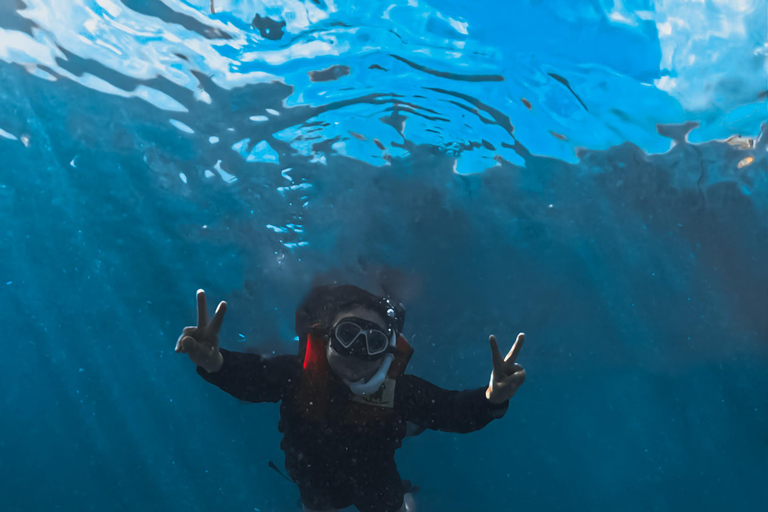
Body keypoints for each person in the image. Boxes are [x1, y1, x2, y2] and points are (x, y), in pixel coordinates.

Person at [176, 284, 526, 512]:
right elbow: (252, 378)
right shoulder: (295, 374)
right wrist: (216, 363)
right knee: (318, 504)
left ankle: (405, 484)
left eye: (372, 341)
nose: (358, 350)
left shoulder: (399, 389)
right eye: (348, 335)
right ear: (327, 339)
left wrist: (491, 397)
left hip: (375, 478)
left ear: (386, 353)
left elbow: (453, 412)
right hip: (312, 476)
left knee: (389, 504)